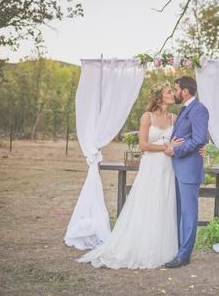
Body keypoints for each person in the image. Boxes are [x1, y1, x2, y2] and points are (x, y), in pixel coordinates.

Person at [76, 82, 184, 269]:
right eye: (169, 92)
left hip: (168, 166)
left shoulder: (175, 118)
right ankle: (141, 247)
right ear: (159, 98)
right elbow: (143, 146)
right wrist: (166, 147)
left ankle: (162, 249)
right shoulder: (147, 117)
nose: (173, 94)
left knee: (164, 203)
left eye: (173, 91)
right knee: (147, 203)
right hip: (151, 165)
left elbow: (182, 139)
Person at [164, 76, 209, 268]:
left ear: (185, 91)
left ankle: (184, 255)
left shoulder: (199, 109)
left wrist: (176, 150)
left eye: (176, 89)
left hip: (188, 168)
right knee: (180, 211)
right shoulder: (185, 110)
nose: (174, 92)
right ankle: (179, 249)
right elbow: (198, 136)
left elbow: (199, 138)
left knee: (189, 213)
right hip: (178, 168)